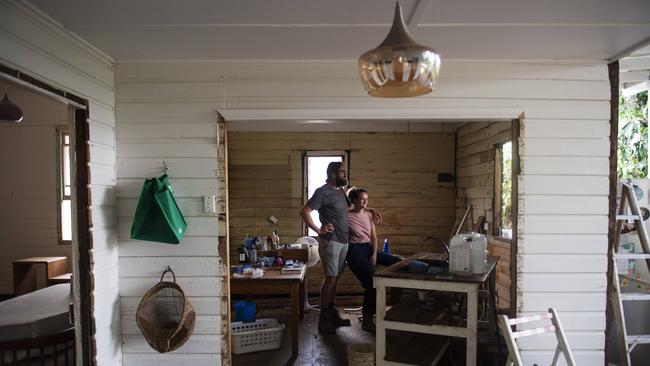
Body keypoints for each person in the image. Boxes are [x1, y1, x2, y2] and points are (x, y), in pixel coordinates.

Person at [299, 161, 353, 334]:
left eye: (344, 172)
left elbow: (349, 209)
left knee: (335, 278)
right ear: (332, 174)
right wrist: (318, 230)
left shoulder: (341, 191)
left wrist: (370, 209)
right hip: (331, 241)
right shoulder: (322, 192)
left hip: (344, 241)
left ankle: (332, 313)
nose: (345, 174)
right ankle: (323, 319)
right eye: (342, 172)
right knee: (330, 279)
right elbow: (304, 211)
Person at [346, 187, 401, 332]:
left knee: (399, 262)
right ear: (353, 200)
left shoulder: (369, 214)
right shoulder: (346, 215)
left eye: (367, 199)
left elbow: (374, 237)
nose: (365, 202)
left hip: (369, 248)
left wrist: (375, 254)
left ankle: (395, 298)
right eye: (362, 199)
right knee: (371, 283)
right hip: (354, 250)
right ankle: (368, 320)